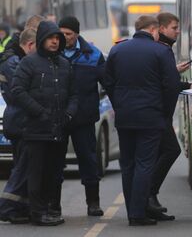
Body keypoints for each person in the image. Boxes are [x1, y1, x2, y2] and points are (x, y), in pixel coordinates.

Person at [105, 15, 180, 226]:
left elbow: (108, 81)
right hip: (151, 116)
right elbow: (171, 86)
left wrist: (119, 105)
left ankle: (132, 211)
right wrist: (164, 112)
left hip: (125, 117)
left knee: (127, 164)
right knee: (144, 164)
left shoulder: (118, 50)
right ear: (154, 30)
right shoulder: (161, 51)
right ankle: (138, 214)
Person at [11, 21, 78, 226]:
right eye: (51, 38)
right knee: (36, 174)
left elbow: (74, 95)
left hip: (58, 129)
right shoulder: (29, 63)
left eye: (57, 38)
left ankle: (52, 208)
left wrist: (68, 114)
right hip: (36, 130)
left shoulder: (65, 64)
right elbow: (17, 91)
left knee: (55, 173)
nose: (55, 42)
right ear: (41, 39)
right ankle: (38, 213)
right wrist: (39, 112)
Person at [146, 12, 192, 220]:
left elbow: (162, 77)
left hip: (160, 113)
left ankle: (150, 199)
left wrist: (175, 70)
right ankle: (149, 194)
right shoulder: (162, 50)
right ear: (160, 29)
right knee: (170, 150)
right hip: (159, 113)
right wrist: (187, 85)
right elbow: (165, 84)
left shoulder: (164, 49)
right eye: (174, 28)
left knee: (160, 153)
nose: (177, 32)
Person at [54, 16, 105, 217]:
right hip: (58, 117)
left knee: (88, 161)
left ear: (77, 34)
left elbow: (107, 81)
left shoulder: (92, 55)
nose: (64, 38)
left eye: (69, 34)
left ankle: (93, 203)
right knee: (56, 162)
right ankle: (54, 205)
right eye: (62, 33)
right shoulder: (51, 53)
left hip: (83, 117)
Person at [0, 28, 37, 224]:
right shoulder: (14, 62)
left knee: (23, 168)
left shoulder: (14, 59)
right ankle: (7, 207)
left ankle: (20, 208)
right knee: (22, 169)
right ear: (30, 45)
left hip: (18, 120)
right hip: (20, 121)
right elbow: (21, 93)